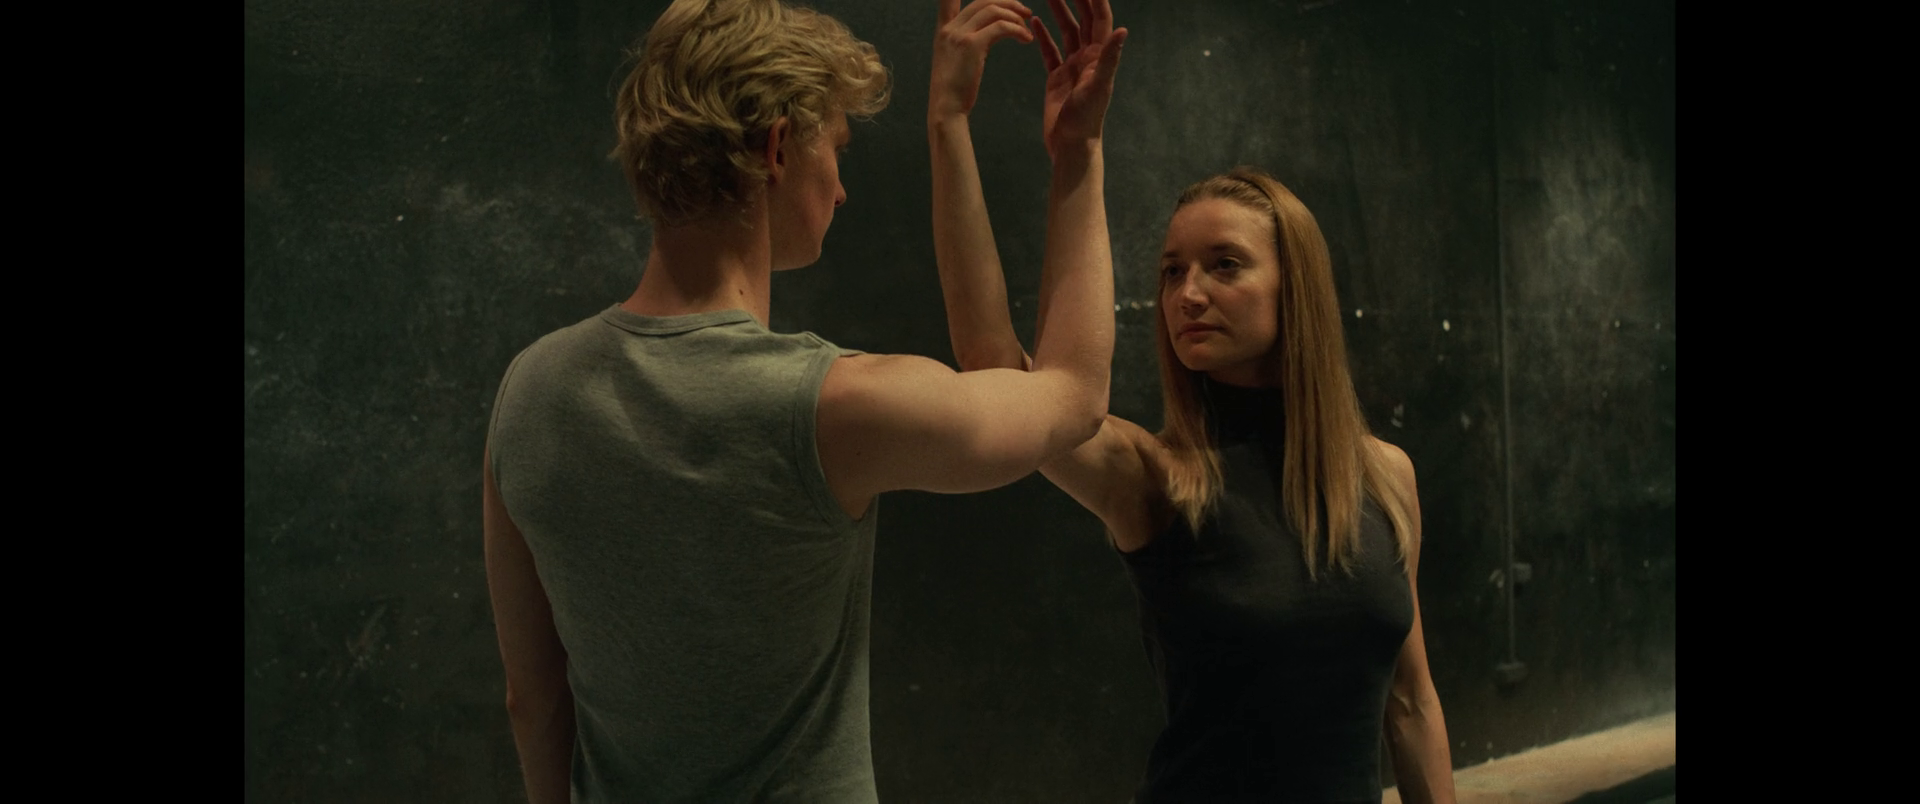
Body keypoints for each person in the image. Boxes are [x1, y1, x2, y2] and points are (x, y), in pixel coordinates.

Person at [481, 0, 1127, 801]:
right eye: (839, 149)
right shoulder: (832, 408)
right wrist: (1079, 152)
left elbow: (532, 699)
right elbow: (1074, 394)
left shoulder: (531, 389)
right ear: (779, 148)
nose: (843, 190)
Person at [928, 5, 1456, 799]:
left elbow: (1411, 706)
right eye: (1173, 270)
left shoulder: (1385, 477)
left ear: (1296, 288)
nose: (1188, 293)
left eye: (1224, 265)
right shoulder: (1157, 480)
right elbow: (993, 365)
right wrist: (967, 128)